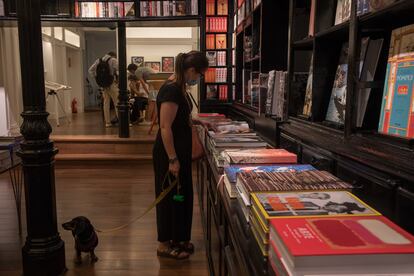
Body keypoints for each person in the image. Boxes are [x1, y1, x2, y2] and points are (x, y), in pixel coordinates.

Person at [153, 51, 211, 259]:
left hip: (180, 152)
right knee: (169, 197)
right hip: (170, 153)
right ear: (191, 70)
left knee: (181, 196)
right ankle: (164, 244)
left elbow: (179, 119)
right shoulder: (171, 90)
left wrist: (197, 122)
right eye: (200, 74)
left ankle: (178, 238)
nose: (200, 78)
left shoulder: (179, 88)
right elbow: (165, 127)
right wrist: (173, 159)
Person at [89, 51, 119, 128]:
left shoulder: (98, 60)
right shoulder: (113, 60)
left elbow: (90, 70)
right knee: (117, 102)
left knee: (106, 103)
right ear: (113, 56)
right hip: (111, 83)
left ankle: (107, 123)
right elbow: (120, 69)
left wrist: (97, 78)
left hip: (103, 85)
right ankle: (121, 121)